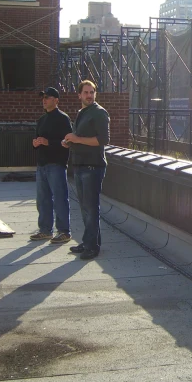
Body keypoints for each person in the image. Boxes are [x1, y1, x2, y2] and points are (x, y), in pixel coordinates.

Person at [62, 80, 110, 260]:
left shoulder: (99, 113)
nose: (89, 95)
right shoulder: (83, 112)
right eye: (86, 92)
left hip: (93, 167)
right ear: (79, 95)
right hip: (80, 165)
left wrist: (77, 139)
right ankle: (89, 242)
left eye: (92, 92)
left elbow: (102, 140)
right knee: (84, 208)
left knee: (91, 208)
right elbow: (80, 137)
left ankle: (92, 247)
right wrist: (69, 142)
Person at [30, 87, 73, 244]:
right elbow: (37, 139)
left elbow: (68, 141)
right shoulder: (42, 120)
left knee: (60, 198)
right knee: (42, 199)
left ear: (56, 100)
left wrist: (49, 142)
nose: (44, 100)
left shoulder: (63, 118)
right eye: (43, 97)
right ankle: (45, 230)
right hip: (42, 165)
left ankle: (64, 231)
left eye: (47, 97)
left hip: (56, 164)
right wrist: (35, 143)